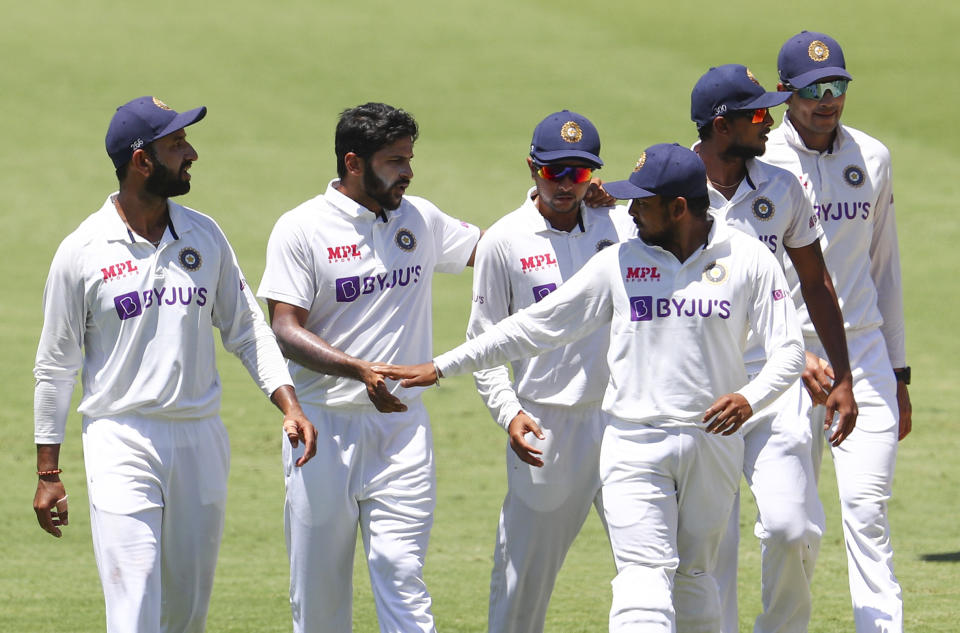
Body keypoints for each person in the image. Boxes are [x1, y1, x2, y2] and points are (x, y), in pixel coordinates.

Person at [376, 143, 805, 633]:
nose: (630, 210)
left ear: (679, 208)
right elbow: (535, 327)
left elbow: (788, 351)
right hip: (634, 440)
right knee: (642, 582)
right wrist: (440, 367)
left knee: (695, 579)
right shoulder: (619, 261)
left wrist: (750, 399)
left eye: (642, 202)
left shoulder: (748, 258)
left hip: (713, 443)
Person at [32, 96, 317, 633]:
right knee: (134, 600)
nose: (191, 153)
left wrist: (289, 403)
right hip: (121, 437)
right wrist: (49, 471)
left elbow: (247, 328)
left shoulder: (205, 236)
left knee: (185, 612)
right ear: (142, 160)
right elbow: (54, 365)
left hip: (200, 439)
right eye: (176, 144)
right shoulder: (83, 250)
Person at [257, 102, 481, 633]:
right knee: (320, 595)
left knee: (401, 571)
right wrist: (359, 370)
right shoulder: (302, 228)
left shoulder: (420, 218)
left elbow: (498, 253)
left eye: (409, 158)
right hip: (323, 429)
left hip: (401, 428)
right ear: (354, 163)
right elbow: (285, 328)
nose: (408, 171)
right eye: (395, 160)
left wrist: (569, 204)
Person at [689, 64, 858, 633]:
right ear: (721, 125)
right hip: (698, 382)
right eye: (758, 114)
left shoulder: (783, 187)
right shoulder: (672, 185)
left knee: (792, 528)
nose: (770, 122)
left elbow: (816, 282)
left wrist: (844, 376)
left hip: (774, 377)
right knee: (709, 545)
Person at [762, 31, 912, 633]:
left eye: (838, 86)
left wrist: (898, 374)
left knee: (866, 510)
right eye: (813, 90)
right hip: (785, 358)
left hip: (864, 351)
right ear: (785, 95)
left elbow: (885, 268)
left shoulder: (871, 157)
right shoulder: (763, 161)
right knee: (788, 525)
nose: (828, 100)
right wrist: (787, 352)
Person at [468, 110, 635, 633]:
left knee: (651, 568)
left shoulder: (623, 226)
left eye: (580, 174)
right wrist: (509, 412)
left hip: (625, 419)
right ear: (531, 168)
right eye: (554, 172)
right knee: (523, 580)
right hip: (545, 425)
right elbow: (485, 340)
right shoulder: (505, 239)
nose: (565, 185)